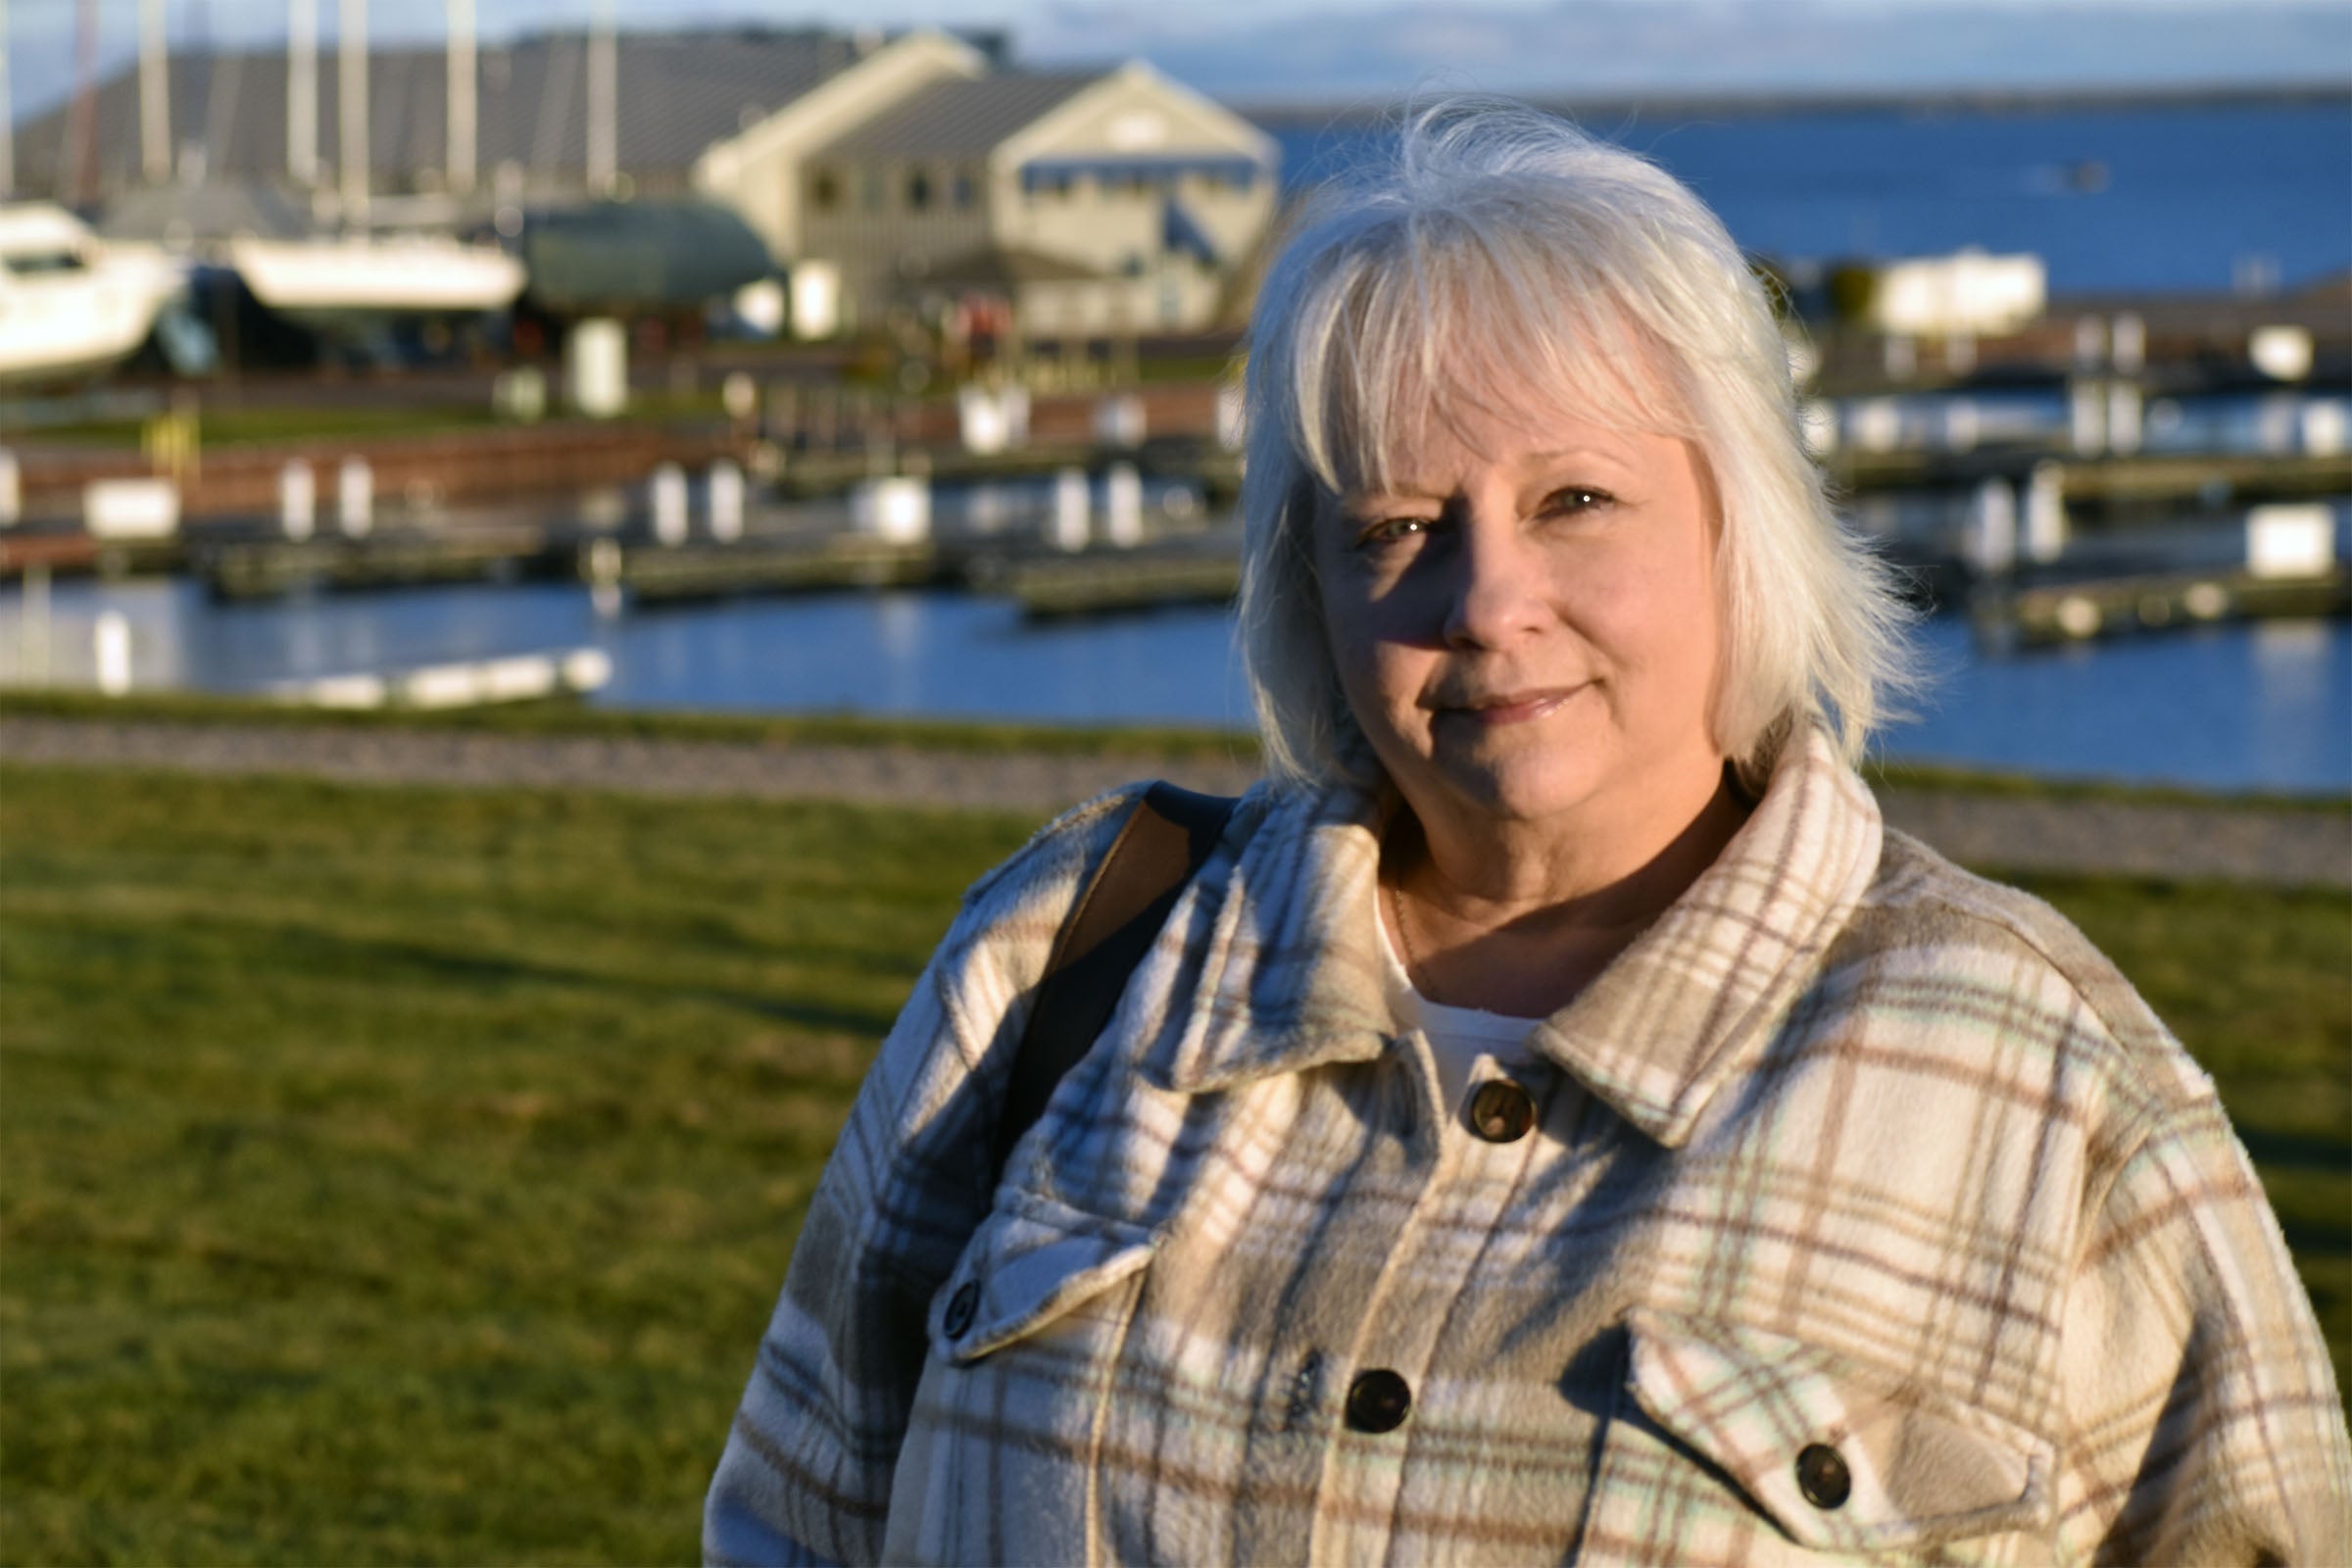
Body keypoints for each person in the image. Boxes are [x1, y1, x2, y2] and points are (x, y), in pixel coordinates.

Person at [706, 100, 2350, 1565]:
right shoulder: (1069, 961)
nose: (1487, 605)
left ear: (1738, 526)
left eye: (1575, 502)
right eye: (1397, 528)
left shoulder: (2031, 1078)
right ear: (1314, 594)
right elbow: (793, 1518)